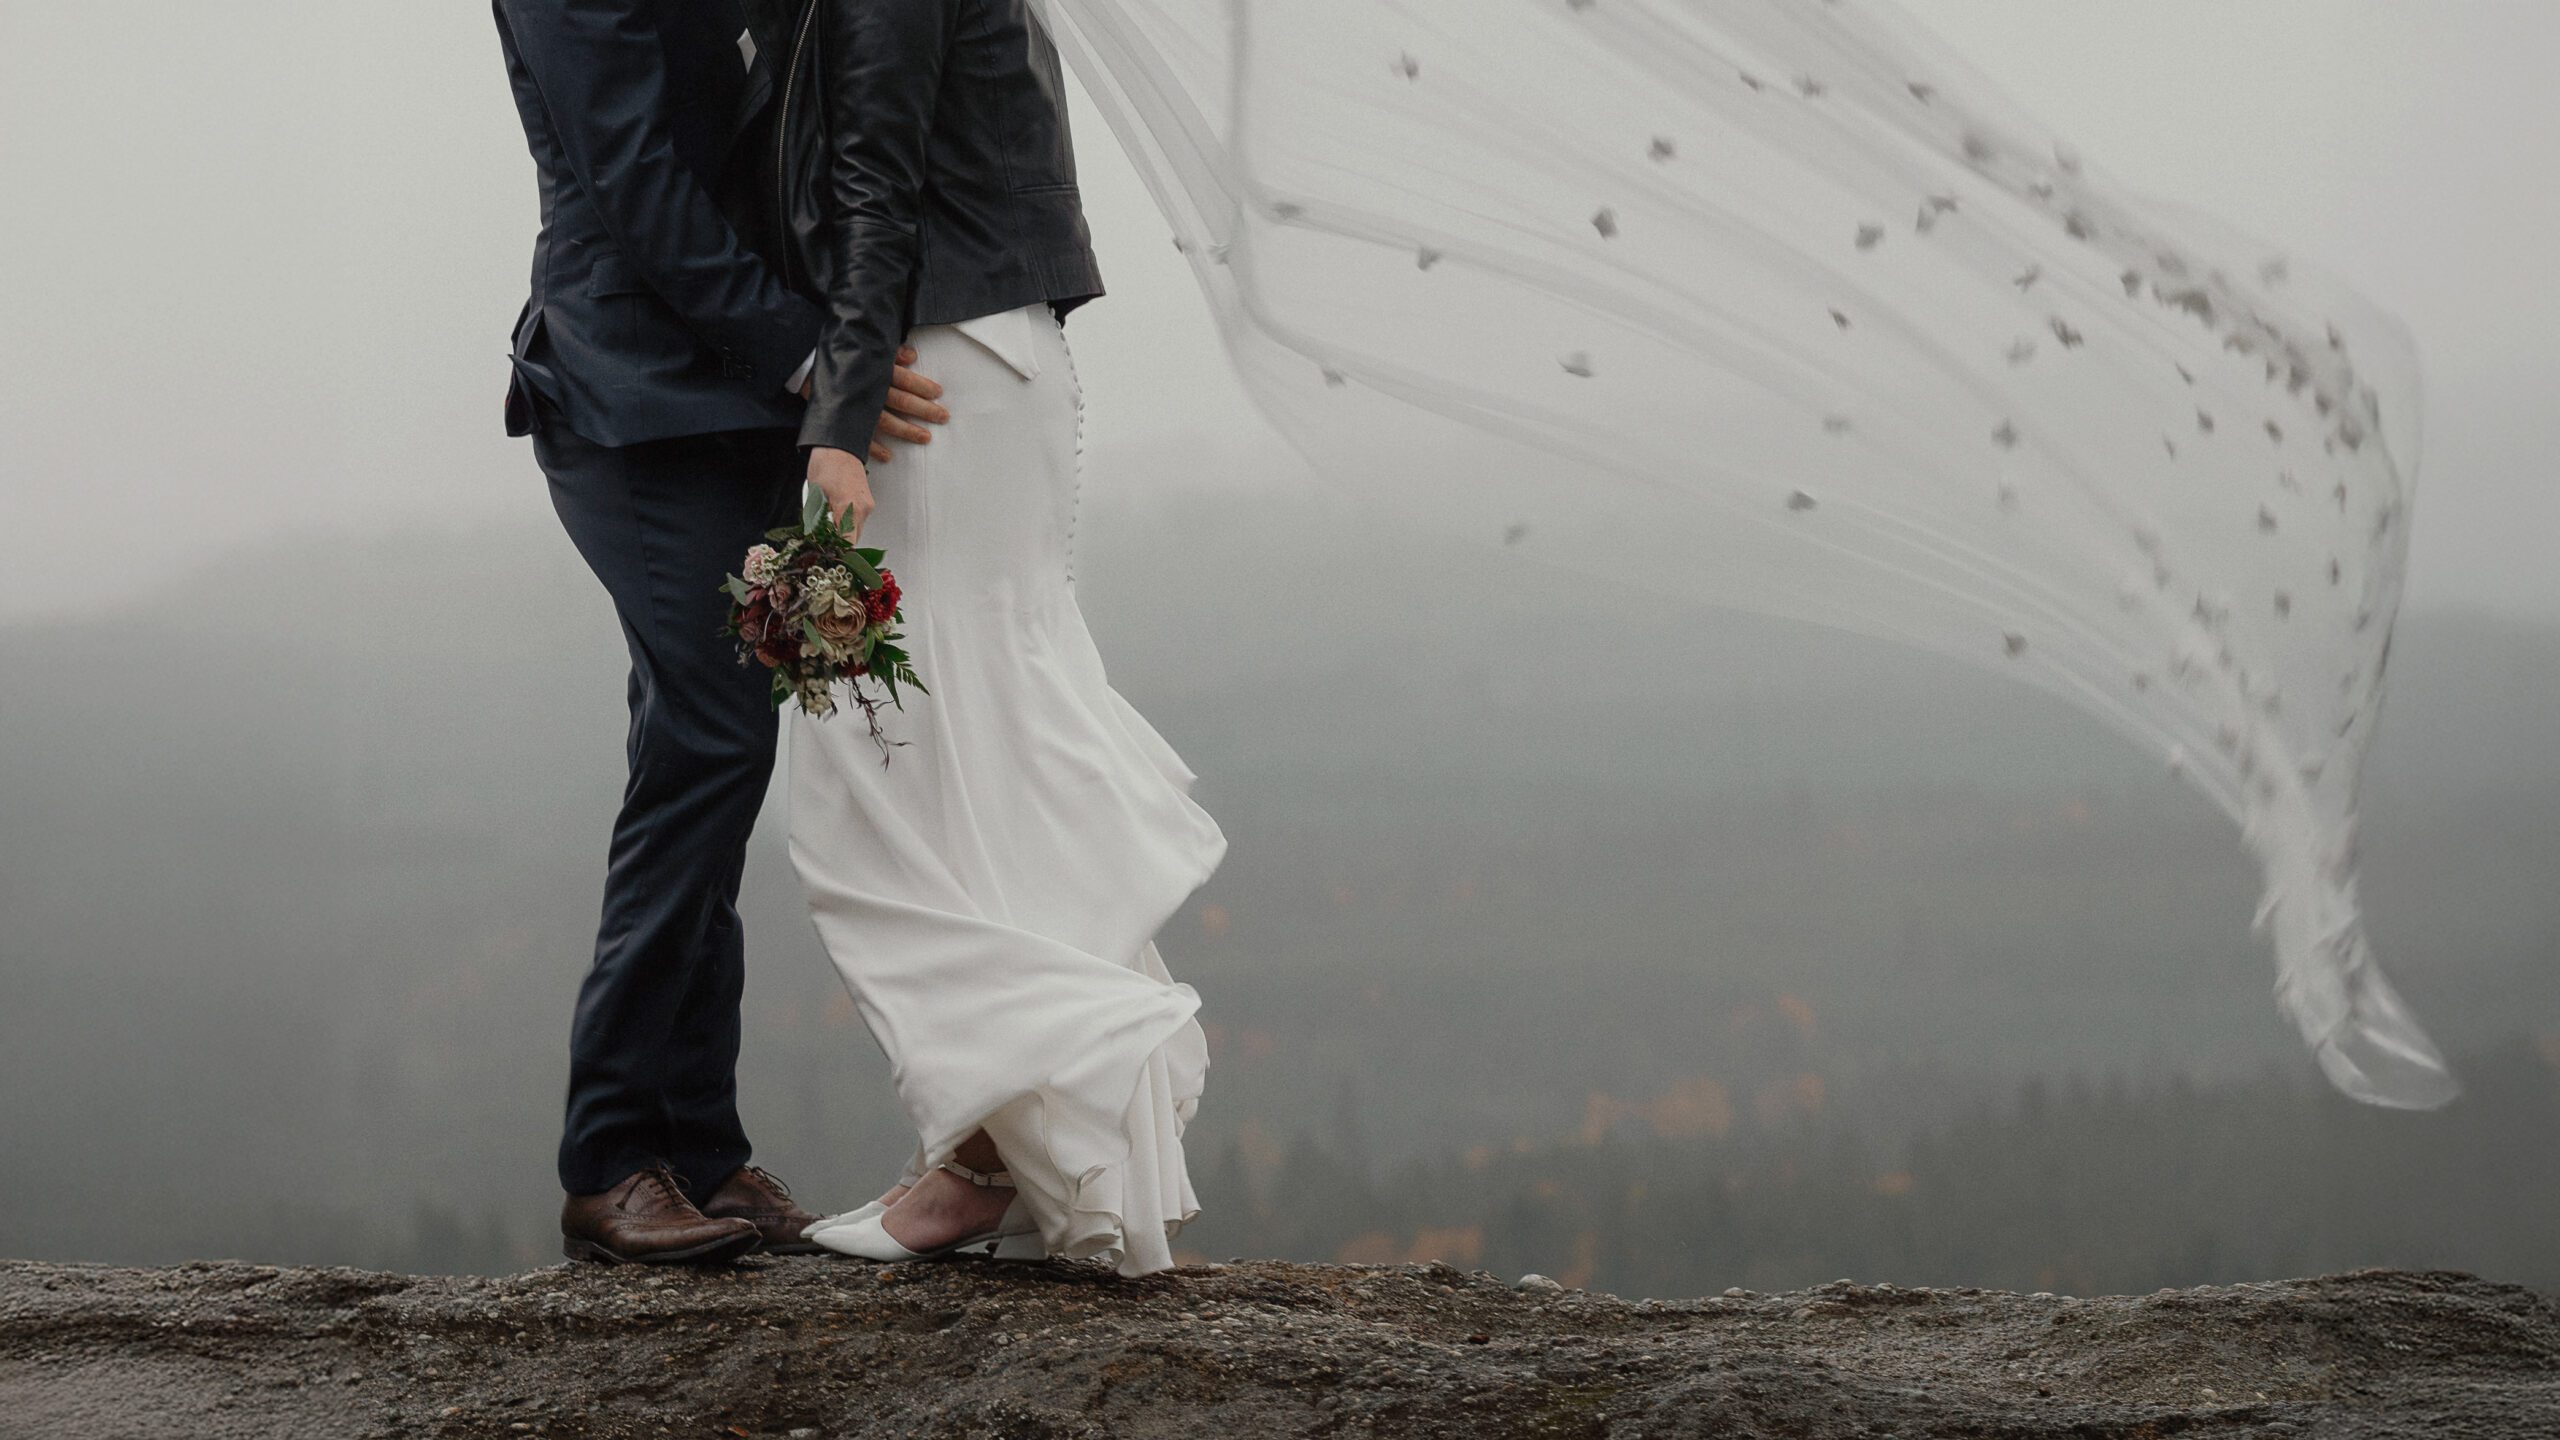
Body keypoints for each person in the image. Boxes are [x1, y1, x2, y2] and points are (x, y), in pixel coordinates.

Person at [490, 0, 959, 1265]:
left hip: (743, 406)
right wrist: (820, 363)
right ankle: (608, 1160)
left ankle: (696, 1146)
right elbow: (637, 179)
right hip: (632, 399)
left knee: (719, 743)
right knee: (710, 741)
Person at [769, 0, 1228, 1275]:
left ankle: (1013, 1122)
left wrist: (841, 412)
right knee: (991, 744)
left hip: (929, 384)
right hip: (987, 364)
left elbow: (874, 187)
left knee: (866, 773)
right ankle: (1022, 1148)